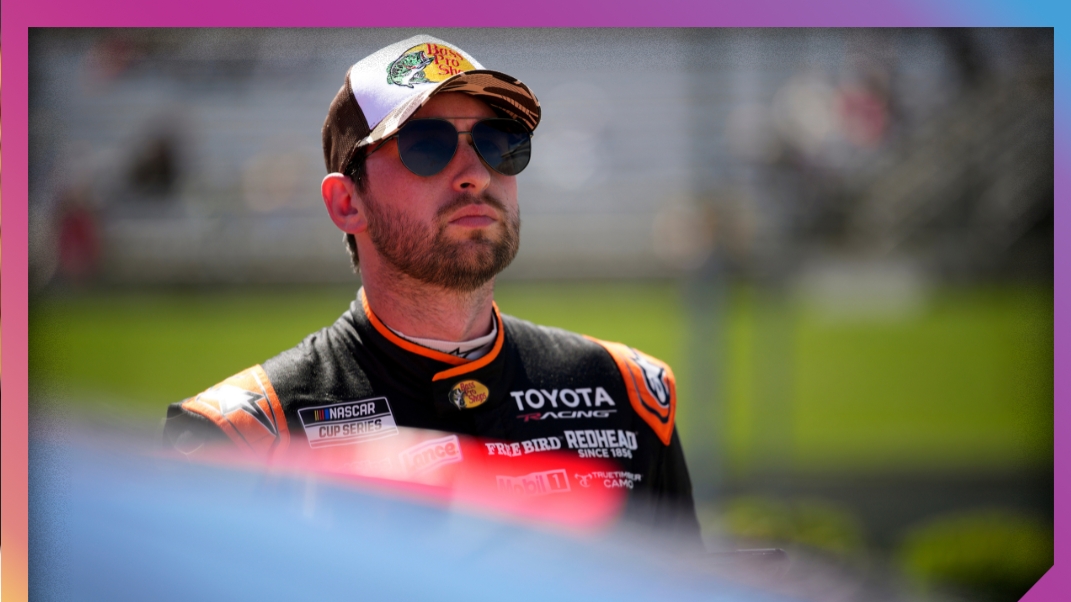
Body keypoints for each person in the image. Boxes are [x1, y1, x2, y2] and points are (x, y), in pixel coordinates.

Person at [164, 35, 701, 543]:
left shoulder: (626, 395)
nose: (476, 174)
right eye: (427, 145)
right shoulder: (244, 436)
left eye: (499, 143)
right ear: (346, 204)